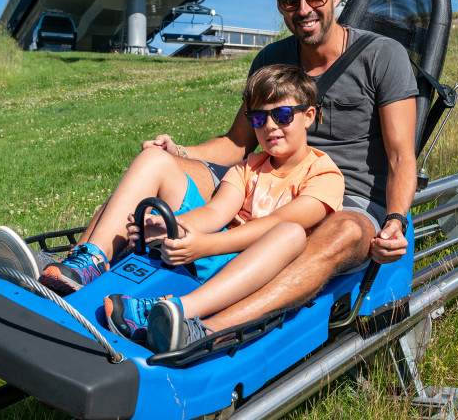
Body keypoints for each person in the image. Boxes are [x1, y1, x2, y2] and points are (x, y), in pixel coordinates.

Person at [7, 0, 415, 339]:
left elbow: (400, 158)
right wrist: (178, 153)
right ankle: (79, 269)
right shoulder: (271, 62)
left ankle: (205, 330)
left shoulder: (382, 55)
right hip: (264, 181)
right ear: (279, 3)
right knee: (152, 171)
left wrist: (395, 219)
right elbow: (238, 143)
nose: (304, 8)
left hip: (344, 203)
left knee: (334, 231)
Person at [102, 64, 344, 352]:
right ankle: (89, 262)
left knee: (291, 233)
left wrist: (206, 245)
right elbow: (217, 212)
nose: (269, 126)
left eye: (282, 115)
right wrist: (173, 227)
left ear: (309, 116)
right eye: (258, 118)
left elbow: (276, 222)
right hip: (218, 255)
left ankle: (177, 311)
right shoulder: (248, 167)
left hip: (263, 275)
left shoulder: (324, 175)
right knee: (153, 159)